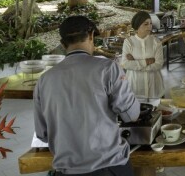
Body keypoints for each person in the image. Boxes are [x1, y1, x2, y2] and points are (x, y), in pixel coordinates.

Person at [34, 15, 140, 175]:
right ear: (91, 36)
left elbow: (42, 134)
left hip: (66, 171)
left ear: (63, 44)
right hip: (108, 167)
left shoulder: (44, 80)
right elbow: (131, 115)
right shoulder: (108, 68)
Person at [121, 11, 165, 106]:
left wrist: (135, 63)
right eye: (146, 24)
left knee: (156, 115)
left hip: (154, 87)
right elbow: (125, 64)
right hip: (135, 87)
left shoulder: (156, 42)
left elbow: (158, 64)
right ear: (137, 26)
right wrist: (146, 62)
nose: (149, 26)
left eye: (150, 24)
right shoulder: (128, 42)